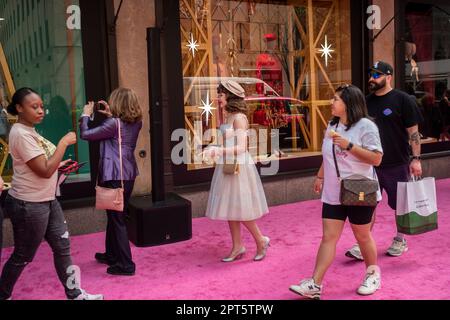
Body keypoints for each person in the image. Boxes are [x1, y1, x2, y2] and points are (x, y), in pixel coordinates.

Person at [0, 88, 103, 300]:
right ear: (19, 108)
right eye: (33, 106)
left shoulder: (30, 130)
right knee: (23, 255)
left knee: (62, 247)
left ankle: (74, 294)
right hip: (29, 204)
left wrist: (59, 165)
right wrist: (64, 143)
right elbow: (44, 170)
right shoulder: (20, 133)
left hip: (47, 200)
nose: (41, 111)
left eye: (41, 106)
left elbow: (47, 165)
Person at [289, 84, 383, 299]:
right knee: (328, 237)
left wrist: (349, 146)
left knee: (362, 235)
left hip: (359, 189)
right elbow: (328, 155)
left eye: (336, 99)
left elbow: (377, 159)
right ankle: (315, 284)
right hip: (334, 191)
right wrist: (320, 176)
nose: (331, 102)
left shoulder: (366, 126)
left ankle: (372, 274)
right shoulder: (333, 125)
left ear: (349, 103)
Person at [345, 61, 423, 261]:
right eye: (371, 74)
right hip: (370, 165)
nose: (372, 78)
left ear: (389, 77)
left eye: (377, 75)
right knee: (366, 204)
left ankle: (400, 239)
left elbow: (413, 133)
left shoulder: (403, 100)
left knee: (401, 205)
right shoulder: (366, 102)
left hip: (397, 163)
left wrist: (416, 159)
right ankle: (363, 242)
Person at [203, 79, 270, 262]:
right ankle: (237, 246)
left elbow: (241, 147)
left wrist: (218, 150)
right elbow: (228, 142)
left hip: (239, 166)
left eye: (221, 94)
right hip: (228, 164)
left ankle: (261, 239)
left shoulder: (239, 118)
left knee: (241, 208)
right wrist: (214, 149)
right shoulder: (229, 116)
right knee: (230, 208)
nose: (218, 98)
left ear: (230, 97)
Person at [80, 88, 142, 276]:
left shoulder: (113, 124)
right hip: (127, 173)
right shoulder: (136, 122)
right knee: (115, 216)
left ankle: (125, 264)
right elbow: (119, 129)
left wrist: (85, 115)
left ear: (116, 103)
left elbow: (86, 135)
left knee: (117, 219)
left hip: (113, 174)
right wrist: (110, 115)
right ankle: (112, 255)